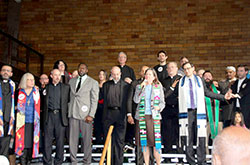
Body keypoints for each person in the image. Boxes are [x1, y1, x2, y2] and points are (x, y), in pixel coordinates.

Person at [165, 62, 230, 165]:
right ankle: (190, 160)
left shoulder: (200, 80)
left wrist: (223, 97)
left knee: (200, 136)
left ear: (193, 68)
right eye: (185, 69)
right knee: (188, 137)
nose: (187, 71)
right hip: (186, 112)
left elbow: (207, 93)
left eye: (188, 68)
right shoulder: (180, 81)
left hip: (198, 111)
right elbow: (172, 94)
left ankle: (201, 160)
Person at [68, 63, 99, 165]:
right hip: (73, 113)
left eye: (83, 68)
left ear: (87, 70)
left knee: (86, 140)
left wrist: (91, 114)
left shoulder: (93, 82)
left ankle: (87, 161)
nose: (81, 70)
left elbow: (94, 100)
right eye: (80, 68)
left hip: (86, 116)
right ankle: (73, 161)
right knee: (72, 140)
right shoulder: (71, 81)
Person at [133, 68, 165, 165]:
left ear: (154, 76)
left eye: (150, 74)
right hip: (142, 117)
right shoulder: (140, 86)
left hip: (154, 117)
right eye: (146, 74)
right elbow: (136, 100)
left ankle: (158, 163)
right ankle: (146, 163)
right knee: (144, 143)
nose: (148, 76)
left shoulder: (158, 86)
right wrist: (141, 88)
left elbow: (162, 102)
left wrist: (158, 107)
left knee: (156, 143)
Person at [127, 65, 155, 165]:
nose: (145, 74)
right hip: (139, 116)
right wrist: (129, 114)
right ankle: (139, 162)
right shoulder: (135, 84)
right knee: (140, 140)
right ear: (140, 73)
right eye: (143, 72)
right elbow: (130, 99)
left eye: (147, 72)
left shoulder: (156, 85)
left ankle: (150, 162)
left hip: (151, 117)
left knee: (151, 140)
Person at [102, 66, 130, 165]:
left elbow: (128, 101)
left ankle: (118, 163)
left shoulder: (126, 86)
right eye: (114, 74)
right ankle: (109, 162)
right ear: (111, 74)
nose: (116, 76)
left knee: (119, 141)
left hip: (120, 115)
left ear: (121, 74)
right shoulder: (106, 85)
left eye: (117, 74)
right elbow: (103, 102)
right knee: (108, 140)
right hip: (108, 115)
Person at [42, 69, 70, 165]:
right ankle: (47, 162)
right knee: (47, 141)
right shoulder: (46, 88)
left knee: (60, 141)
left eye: (59, 75)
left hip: (60, 116)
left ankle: (58, 162)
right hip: (48, 116)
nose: (58, 77)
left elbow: (69, 102)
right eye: (55, 75)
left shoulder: (66, 87)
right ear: (51, 76)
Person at [15, 73, 40, 164]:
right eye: (29, 79)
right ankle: (23, 161)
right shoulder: (19, 92)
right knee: (23, 143)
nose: (32, 81)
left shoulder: (36, 91)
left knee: (30, 143)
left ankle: (29, 161)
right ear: (24, 81)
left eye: (33, 79)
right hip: (21, 122)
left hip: (33, 121)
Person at [161, 62, 181, 160]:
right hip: (167, 109)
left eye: (173, 67)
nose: (171, 69)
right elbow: (163, 95)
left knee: (179, 132)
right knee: (167, 132)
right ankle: (167, 156)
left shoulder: (182, 80)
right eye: (169, 68)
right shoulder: (163, 81)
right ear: (167, 70)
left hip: (178, 108)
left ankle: (180, 155)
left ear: (177, 69)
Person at [0, 65, 15, 158]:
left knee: (6, 140)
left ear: (11, 74)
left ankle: (3, 160)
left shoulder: (13, 85)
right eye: (4, 70)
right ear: (1, 72)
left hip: (8, 117)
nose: (6, 72)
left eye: (8, 71)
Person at [93, 70, 107, 145]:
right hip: (97, 108)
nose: (101, 76)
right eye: (100, 74)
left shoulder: (107, 85)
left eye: (103, 74)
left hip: (105, 109)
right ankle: (98, 143)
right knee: (97, 126)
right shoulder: (96, 85)